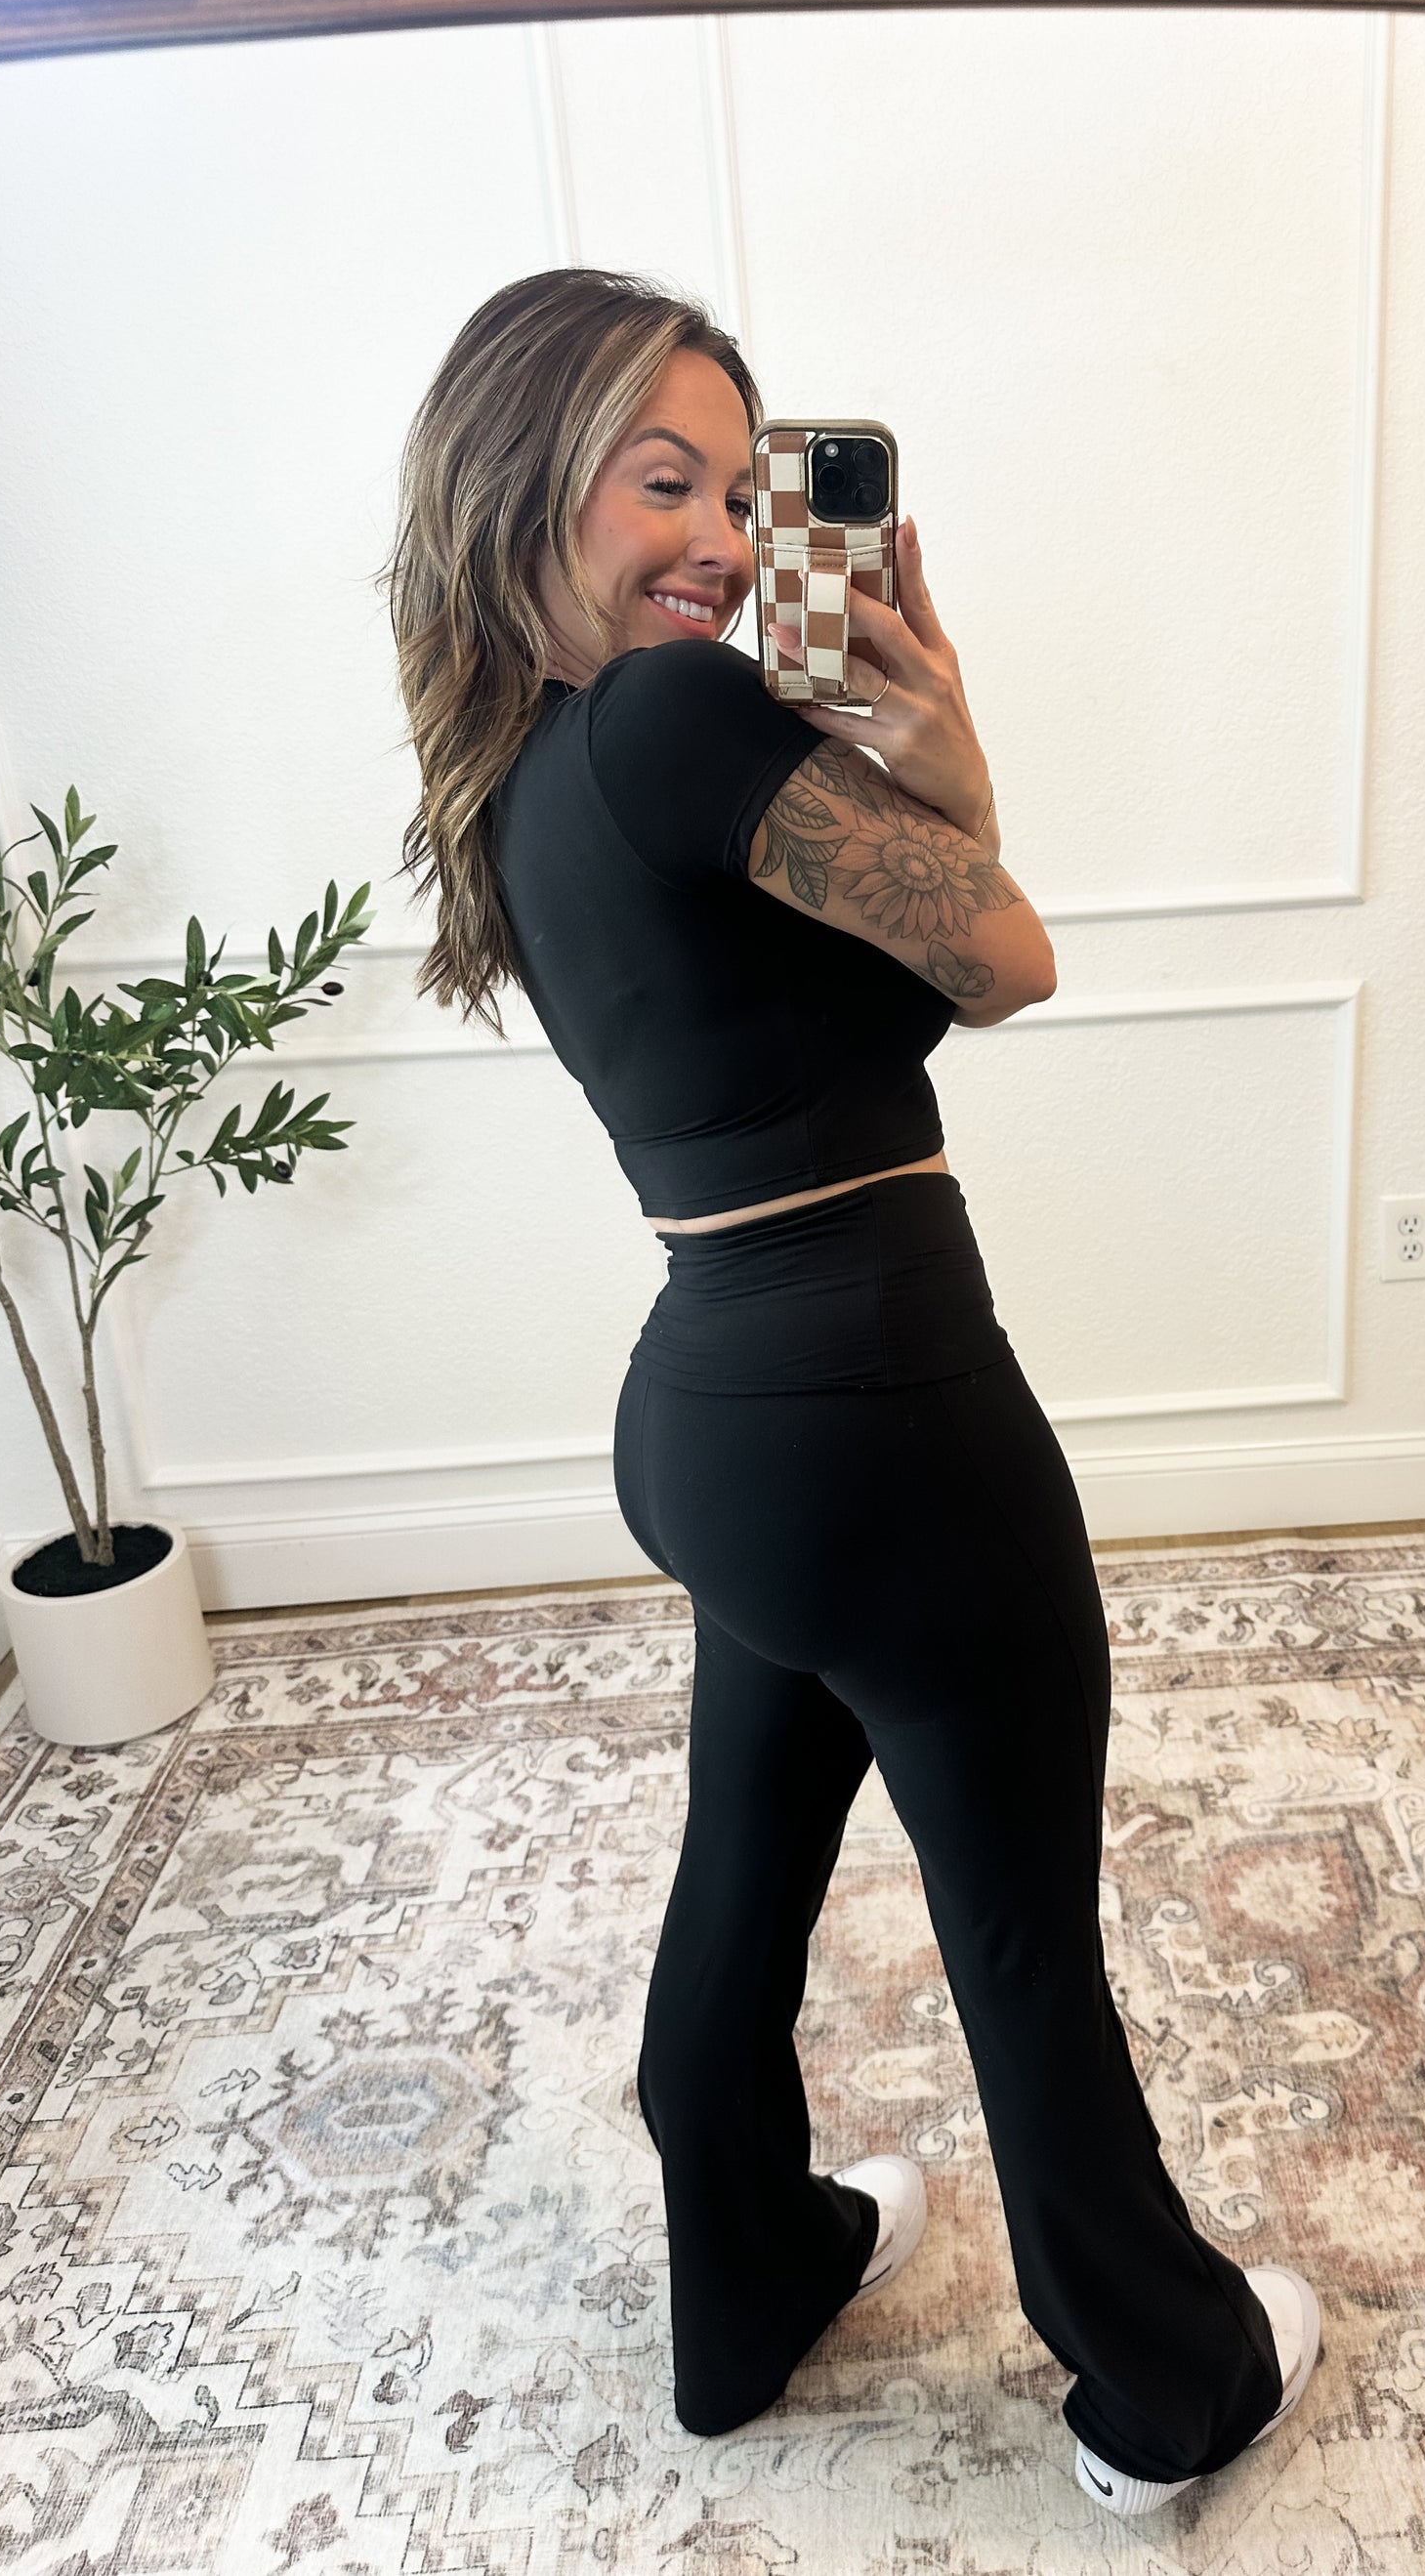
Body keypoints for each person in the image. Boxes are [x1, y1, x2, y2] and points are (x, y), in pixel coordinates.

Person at [389, 265, 1320, 2518]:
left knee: (745, 1871)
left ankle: (744, 2285)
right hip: (886, 1411)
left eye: (742, 487)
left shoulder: (525, 787)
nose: (721, 537)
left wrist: (914, 756)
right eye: (665, 479)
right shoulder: (677, 721)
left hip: (717, 1424)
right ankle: (1165, 2385)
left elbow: (877, 993)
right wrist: (953, 746)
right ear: (525, 483)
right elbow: (1002, 951)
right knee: (1018, 1932)